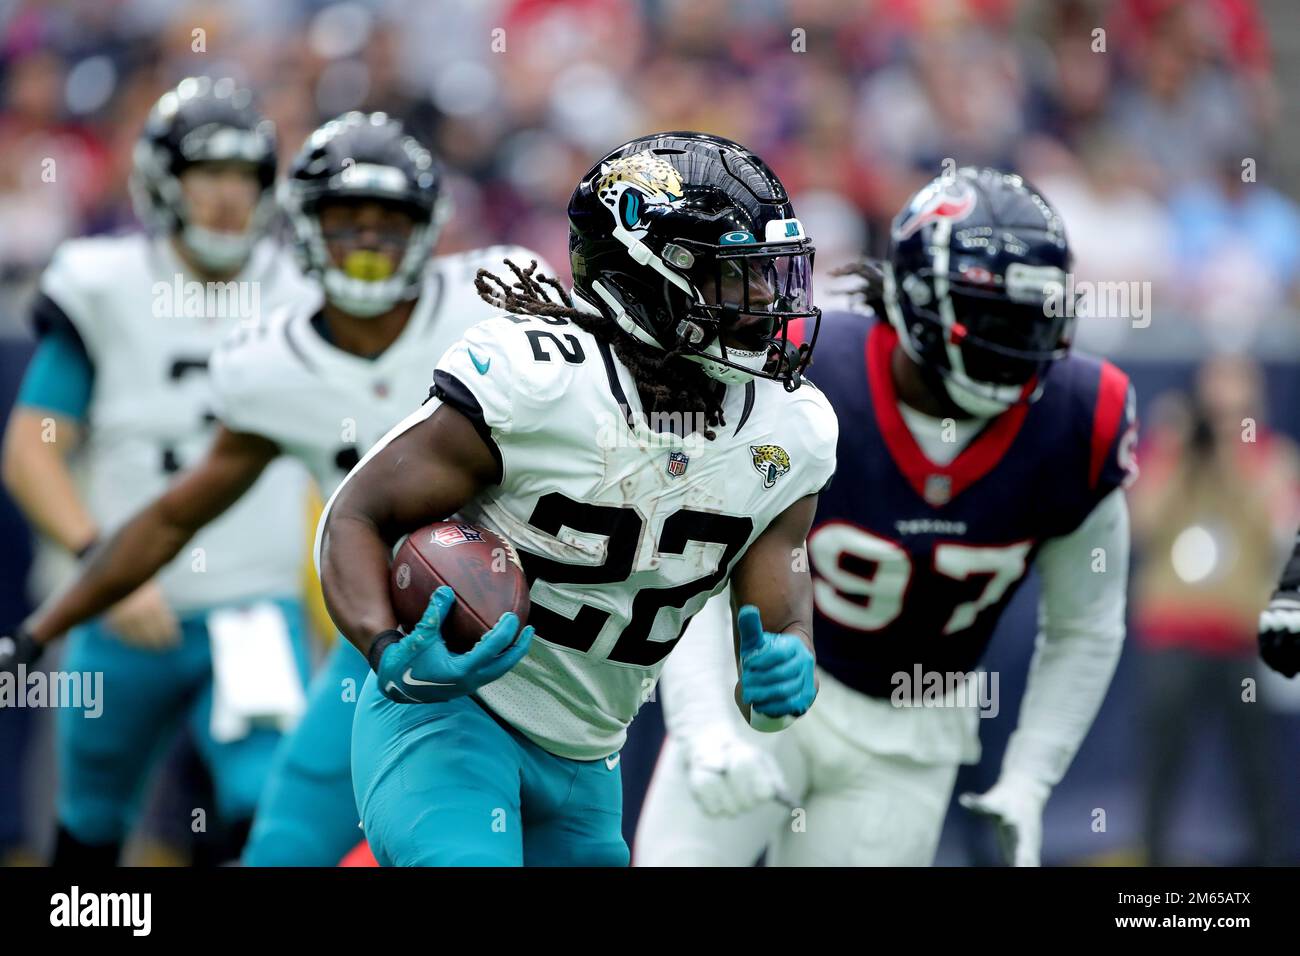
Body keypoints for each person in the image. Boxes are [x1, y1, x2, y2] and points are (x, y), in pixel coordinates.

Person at [0, 110, 552, 865]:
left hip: (542, 631)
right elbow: (170, 518)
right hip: (384, 644)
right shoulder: (272, 364)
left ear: (427, 225)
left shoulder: (494, 304)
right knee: (279, 846)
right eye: (343, 221)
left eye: (386, 223)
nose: (364, 244)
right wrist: (40, 629)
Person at [315, 131, 839, 866]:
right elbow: (358, 514)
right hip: (454, 718)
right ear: (646, 274)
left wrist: (787, 663)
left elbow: (775, 618)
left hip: (591, 758)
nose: (765, 302)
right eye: (735, 279)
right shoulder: (542, 384)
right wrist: (387, 650)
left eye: (770, 276)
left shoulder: (793, 431)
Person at [635, 167, 1137, 867]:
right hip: (763, 678)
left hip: (911, 731)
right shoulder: (810, 372)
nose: (1016, 343)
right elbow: (696, 556)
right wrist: (705, 723)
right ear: (916, 301)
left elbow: (1087, 624)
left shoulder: (1078, 420)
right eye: (993, 318)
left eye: (1033, 318)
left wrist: (1030, 780)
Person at [0, 77, 314, 865]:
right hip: (117, 606)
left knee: (266, 811)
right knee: (90, 825)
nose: (227, 196)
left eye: (244, 175)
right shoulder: (103, 283)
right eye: (208, 173)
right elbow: (32, 449)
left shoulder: (300, 293)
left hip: (251, 607)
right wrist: (103, 562)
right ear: (162, 182)